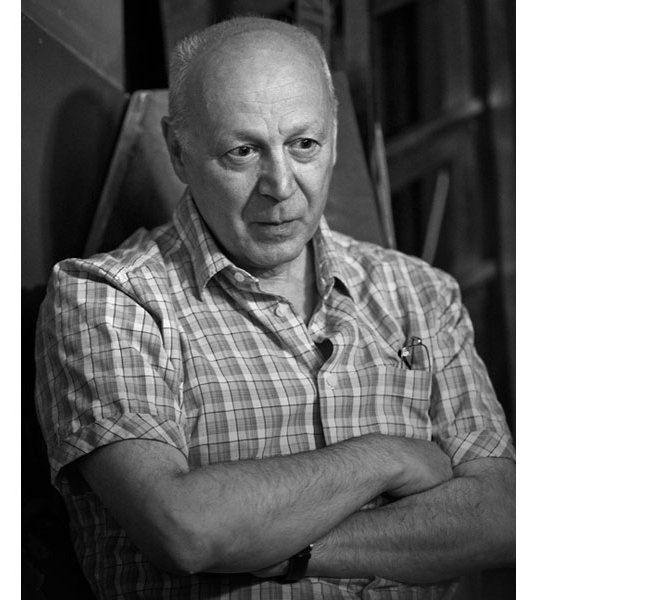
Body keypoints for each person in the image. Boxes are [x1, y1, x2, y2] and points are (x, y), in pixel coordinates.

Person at [34, 16, 515, 600]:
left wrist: (283, 548)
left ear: (334, 138)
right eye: (243, 152)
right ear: (178, 152)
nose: (281, 185)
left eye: (304, 144)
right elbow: (183, 529)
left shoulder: (422, 293)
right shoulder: (108, 297)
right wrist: (386, 458)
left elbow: (501, 515)